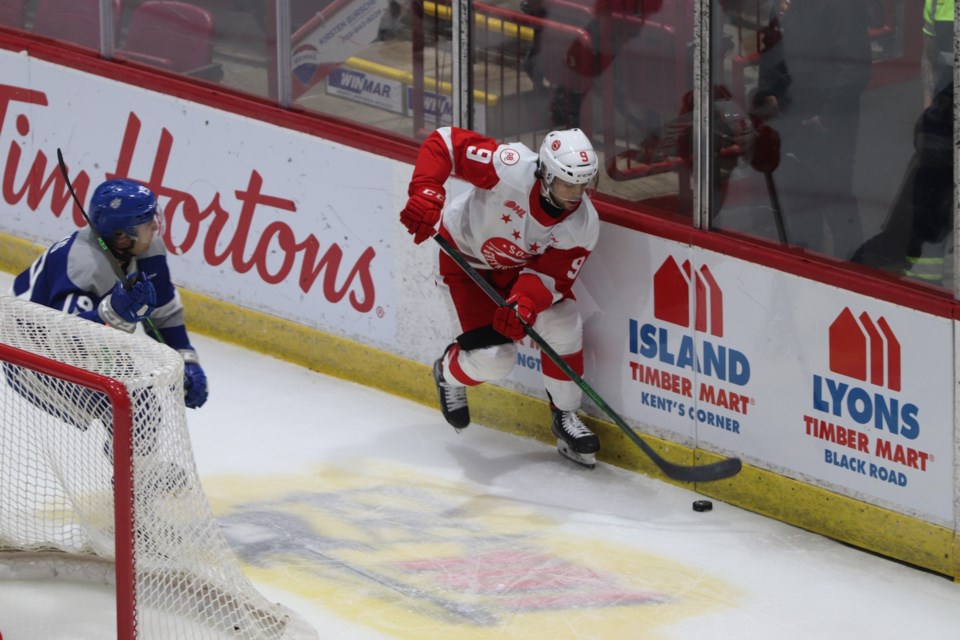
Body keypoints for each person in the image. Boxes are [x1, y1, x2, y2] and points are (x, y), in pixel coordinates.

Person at [399, 127, 602, 468]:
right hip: (466, 263)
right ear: (546, 175)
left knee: (564, 321)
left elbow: (549, 276)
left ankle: (564, 416)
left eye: (583, 185)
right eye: (568, 184)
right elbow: (444, 143)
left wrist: (523, 303)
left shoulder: (582, 224)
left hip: (520, 274)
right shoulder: (510, 166)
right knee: (494, 358)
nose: (576, 195)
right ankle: (446, 372)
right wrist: (427, 192)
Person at [8, 178, 209, 433]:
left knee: (139, 402)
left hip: (77, 341)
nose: (156, 225)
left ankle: (138, 469)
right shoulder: (84, 266)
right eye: (147, 223)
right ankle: (136, 469)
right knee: (134, 406)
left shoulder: (149, 250)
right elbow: (62, 341)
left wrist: (186, 358)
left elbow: (164, 312)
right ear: (123, 236)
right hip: (28, 350)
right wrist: (111, 315)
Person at [752, 0, 872, 259]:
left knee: (837, 203)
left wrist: (826, 119)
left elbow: (855, 68)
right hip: (792, 123)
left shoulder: (842, 6)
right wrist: (771, 101)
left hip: (829, 127)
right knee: (800, 208)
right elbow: (772, 59)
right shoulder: (784, 6)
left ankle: (852, 275)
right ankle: (807, 267)